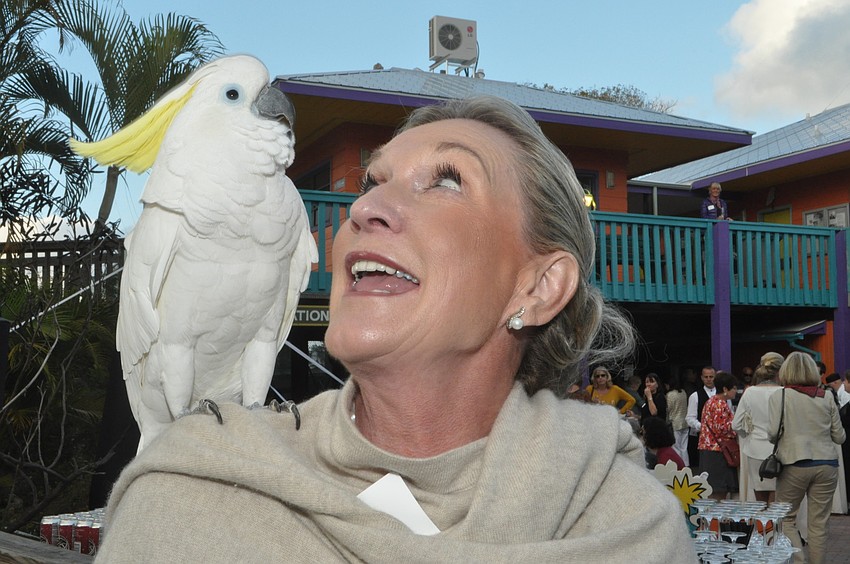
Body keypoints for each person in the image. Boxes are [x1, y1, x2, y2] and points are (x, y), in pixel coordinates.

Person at [94, 96, 695, 561]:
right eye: (371, 183)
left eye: (448, 180)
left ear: (538, 287)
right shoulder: (189, 495)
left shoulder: (628, 528)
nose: (362, 209)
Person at [769, 352, 845, 564]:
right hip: (827, 464)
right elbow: (840, 436)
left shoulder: (780, 396)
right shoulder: (827, 396)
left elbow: (772, 434)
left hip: (794, 463)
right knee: (819, 524)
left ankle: (800, 561)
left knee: (786, 518)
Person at [732, 352, 783, 503]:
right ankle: (775, 527)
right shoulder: (783, 392)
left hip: (754, 448)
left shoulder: (749, 392)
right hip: (779, 448)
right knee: (776, 493)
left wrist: (748, 435)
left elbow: (736, 424)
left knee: (759, 496)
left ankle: (763, 526)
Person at [699, 370, 739, 499]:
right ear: (725, 389)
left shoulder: (711, 401)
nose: (735, 391)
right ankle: (715, 518)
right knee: (719, 490)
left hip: (709, 449)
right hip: (717, 451)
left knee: (712, 489)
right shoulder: (720, 404)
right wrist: (738, 427)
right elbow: (722, 428)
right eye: (733, 388)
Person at [686, 366, 717, 469]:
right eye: (706, 377)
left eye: (711, 377)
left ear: (715, 377)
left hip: (720, 438)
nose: (708, 379)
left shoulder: (722, 394)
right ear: (702, 378)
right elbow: (690, 418)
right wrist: (702, 427)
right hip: (702, 437)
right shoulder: (695, 396)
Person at [665, 372, 690, 466]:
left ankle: (679, 465)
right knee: (684, 447)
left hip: (675, 422)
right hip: (685, 422)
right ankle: (686, 465)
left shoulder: (670, 395)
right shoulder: (683, 392)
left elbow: (669, 408)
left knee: (676, 447)